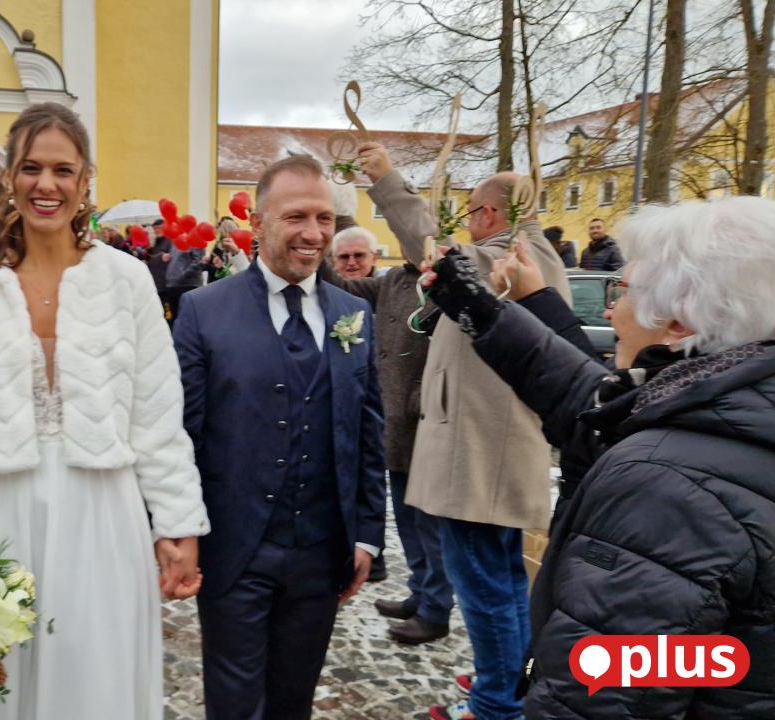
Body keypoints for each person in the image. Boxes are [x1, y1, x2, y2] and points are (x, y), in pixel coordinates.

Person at [420, 196, 775, 718]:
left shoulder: (666, 487)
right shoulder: (730, 406)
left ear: (677, 321)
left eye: (622, 290)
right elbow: (587, 398)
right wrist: (479, 306)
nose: (610, 309)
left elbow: (604, 691)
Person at [0, 102, 208, 720]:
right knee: (4, 675)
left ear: (84, 180)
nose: (45, 185)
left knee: (94, 675)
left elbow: (157, 416)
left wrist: (177, 524)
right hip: (1, 516)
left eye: (62, 170)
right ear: (10, 178)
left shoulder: (127, 281)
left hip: (103, 514)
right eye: (30, 168)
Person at [359, 141, 571, 720]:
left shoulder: (512, 257)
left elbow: (431, 252)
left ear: (493, 216)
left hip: (480, 457)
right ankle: (508, 680)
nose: (468, 224)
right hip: (482, 453)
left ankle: (498, 702)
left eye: (473, 212)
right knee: (499, 580)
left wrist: (387, 181)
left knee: (485, 588)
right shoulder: (518, 254)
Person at [172, 154, 386, 718]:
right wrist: (179, 529)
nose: (313, 233)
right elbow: (182, 435)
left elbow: (367, 428)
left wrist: (366, 534)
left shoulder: (352, 313)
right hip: (235, 547)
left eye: (323, 218)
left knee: (294, 700)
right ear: (260, 221)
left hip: (321, 552)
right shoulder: (202, 311)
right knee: (235, 703)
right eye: (295, 217)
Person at [318, 236, 452, 645]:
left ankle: (436, 607)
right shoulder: (393, 280)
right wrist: (322, 243)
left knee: (429, 524)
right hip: (392, 425)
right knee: (407, 520)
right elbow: (345, 287)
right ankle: (419, 590)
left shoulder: (443, 281)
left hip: (423, 420)